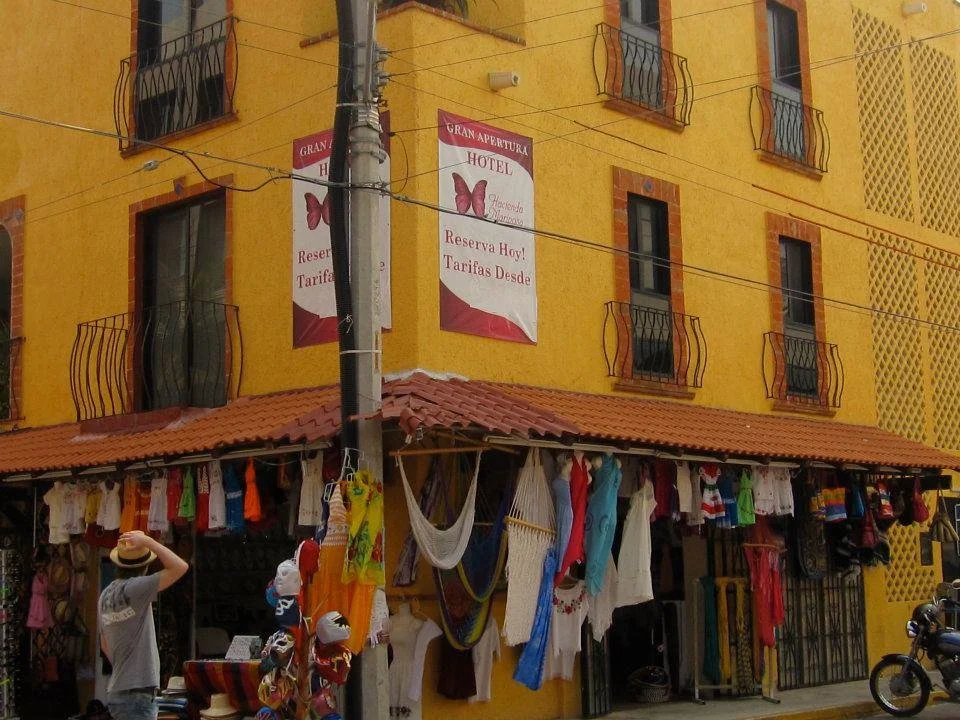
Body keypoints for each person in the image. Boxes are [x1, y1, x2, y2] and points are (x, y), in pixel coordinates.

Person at [99, 530, 189, 720]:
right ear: (145, 566)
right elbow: (180, 567)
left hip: (117, 689)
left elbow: (104, 643)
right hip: (138, 692)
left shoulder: (105, 595)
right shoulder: (138, 587)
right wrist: (149, 541)